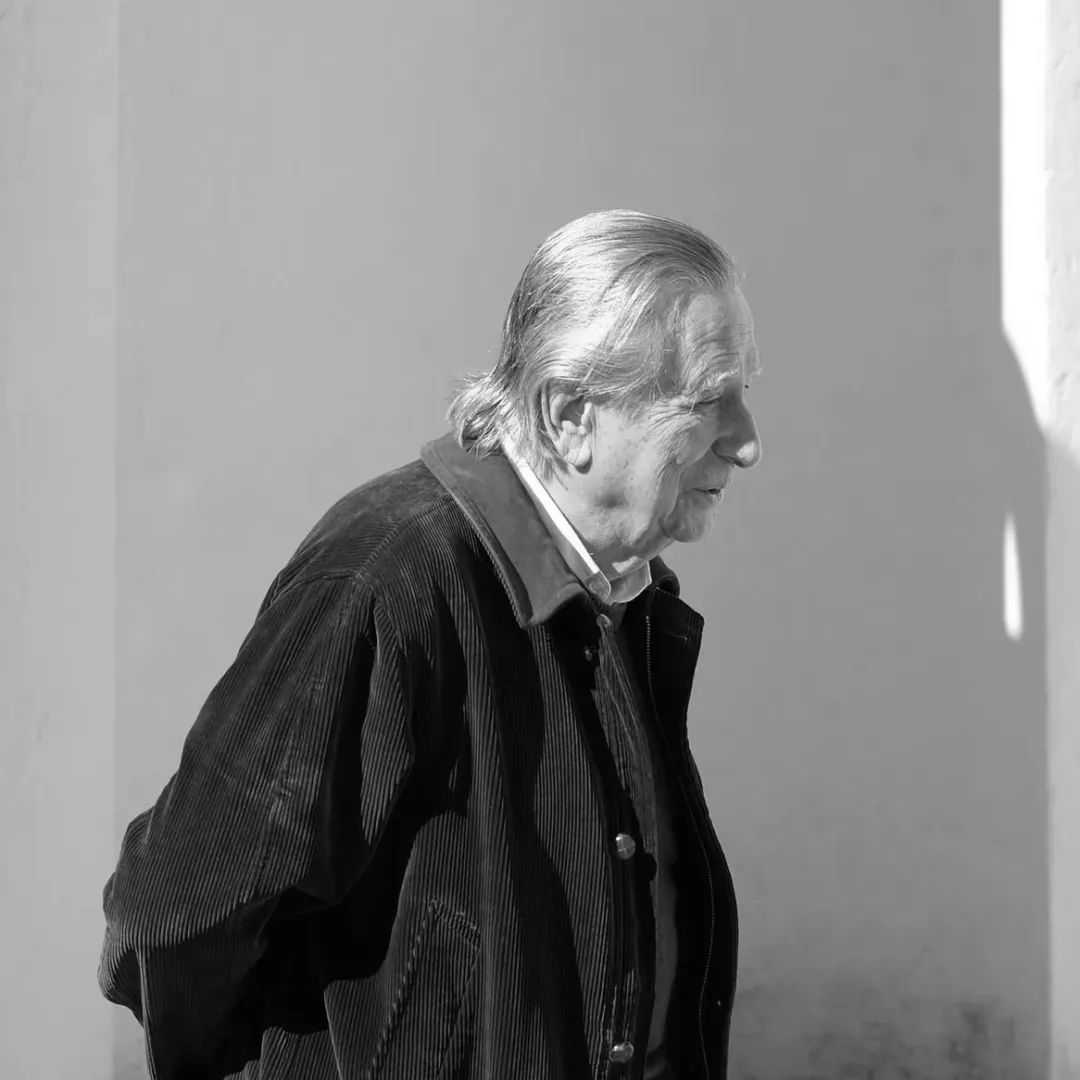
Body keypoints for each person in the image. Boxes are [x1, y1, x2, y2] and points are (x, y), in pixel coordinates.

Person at [98, 209, 762, 1079]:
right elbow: (171, 910)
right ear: (570, 415)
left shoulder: (623, 591)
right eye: (709, 398)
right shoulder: (390, 579)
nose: (747, 442)